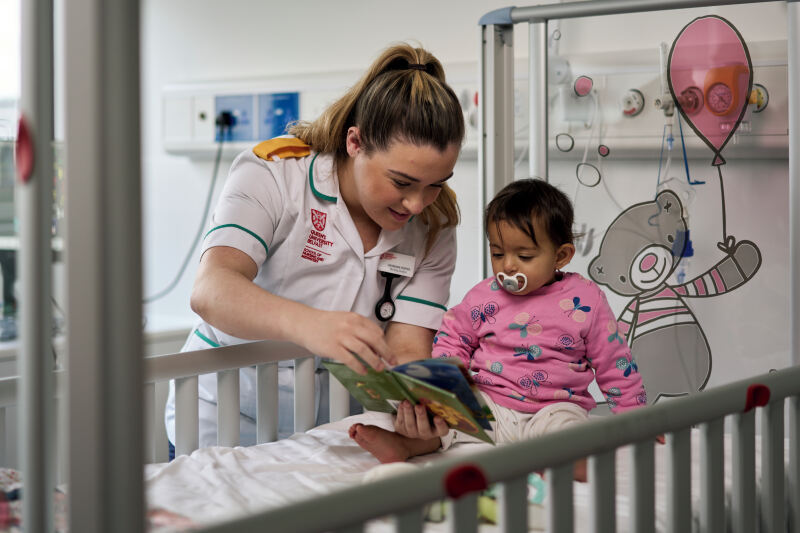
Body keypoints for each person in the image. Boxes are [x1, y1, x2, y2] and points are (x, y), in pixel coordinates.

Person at [164, 43, 465, 452]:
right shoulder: (273, 174)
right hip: (224, 418)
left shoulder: (435, 224)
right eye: (402, 182)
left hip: (328, 431)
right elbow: (212, 290)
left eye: (436, 184)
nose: (416, 204)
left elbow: (407, 346)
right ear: (355, 142)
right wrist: (312, 326)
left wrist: (421, 400)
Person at [349, 178, 649, 477]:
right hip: (489, 404)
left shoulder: (585, 300)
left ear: (561, 256)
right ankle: (403, 446)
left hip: (554, 408)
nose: (508, 266)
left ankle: (564, 461)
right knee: (442, 421)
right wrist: (446, 381)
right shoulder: (484, 297)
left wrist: (636, 421)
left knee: (569, 431)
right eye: (498, 253)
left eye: (525, 256)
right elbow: (453, 339)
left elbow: (614, 363)